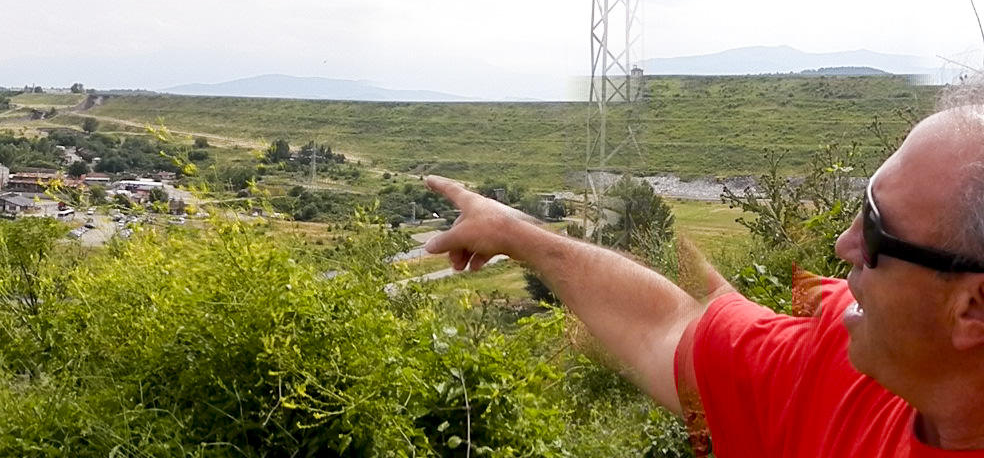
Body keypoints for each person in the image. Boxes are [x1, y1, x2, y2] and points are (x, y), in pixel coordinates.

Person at [420, 103, 984, 455]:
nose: (844, 245)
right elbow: (665, 326)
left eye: (877, 231)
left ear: (972, 308)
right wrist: (519, 234)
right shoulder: (844, 361)